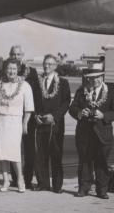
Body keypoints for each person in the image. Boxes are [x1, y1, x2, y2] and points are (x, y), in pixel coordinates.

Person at [69, 67, 114, 199]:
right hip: (84, 133)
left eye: (98, 77)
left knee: (102, 162)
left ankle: (102, 190)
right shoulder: (81, 91)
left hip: (103, 133)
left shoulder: (111, 92)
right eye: (92, 78)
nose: (95, 80)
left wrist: (103, 115)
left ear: (103, 77)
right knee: (84, 161)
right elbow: (72, 108)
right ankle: (83, 188)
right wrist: (79, 113)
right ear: (88, 79)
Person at [0, 57, 34, 193]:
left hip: (15, 121)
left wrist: (25, 124)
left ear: (18, 70)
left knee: (14, 152)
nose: (11, 71)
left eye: (14, 69)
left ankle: (20, 179)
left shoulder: (25, 85)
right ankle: (5, 179)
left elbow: (29, 108)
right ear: (5, 70)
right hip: (0, 120)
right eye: (9, 68)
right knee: (2, 153)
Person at [32, 54, 71, 193]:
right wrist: (35, 114)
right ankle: (42, 183)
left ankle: (57, 185)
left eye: (50, 64)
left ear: (56, 66)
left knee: (56, 153)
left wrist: (54, 116)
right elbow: (34, 100)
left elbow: (66, 102)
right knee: (40, 154)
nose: (47, 66)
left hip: (55, 124)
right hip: (40, 122)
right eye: (45, 63)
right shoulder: (38, 82)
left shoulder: (63, 82)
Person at [8, 45, 40, 189]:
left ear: (23, 55)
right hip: (12, 115)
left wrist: (36, 114)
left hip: (28, 116)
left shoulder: (31, 71)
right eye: (13, 54)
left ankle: (27, 178)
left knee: (29, 149)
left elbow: (36, 94)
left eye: (18, 54)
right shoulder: (7, 70)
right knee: (13, 148)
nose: (16, 57)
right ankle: (15, 177)